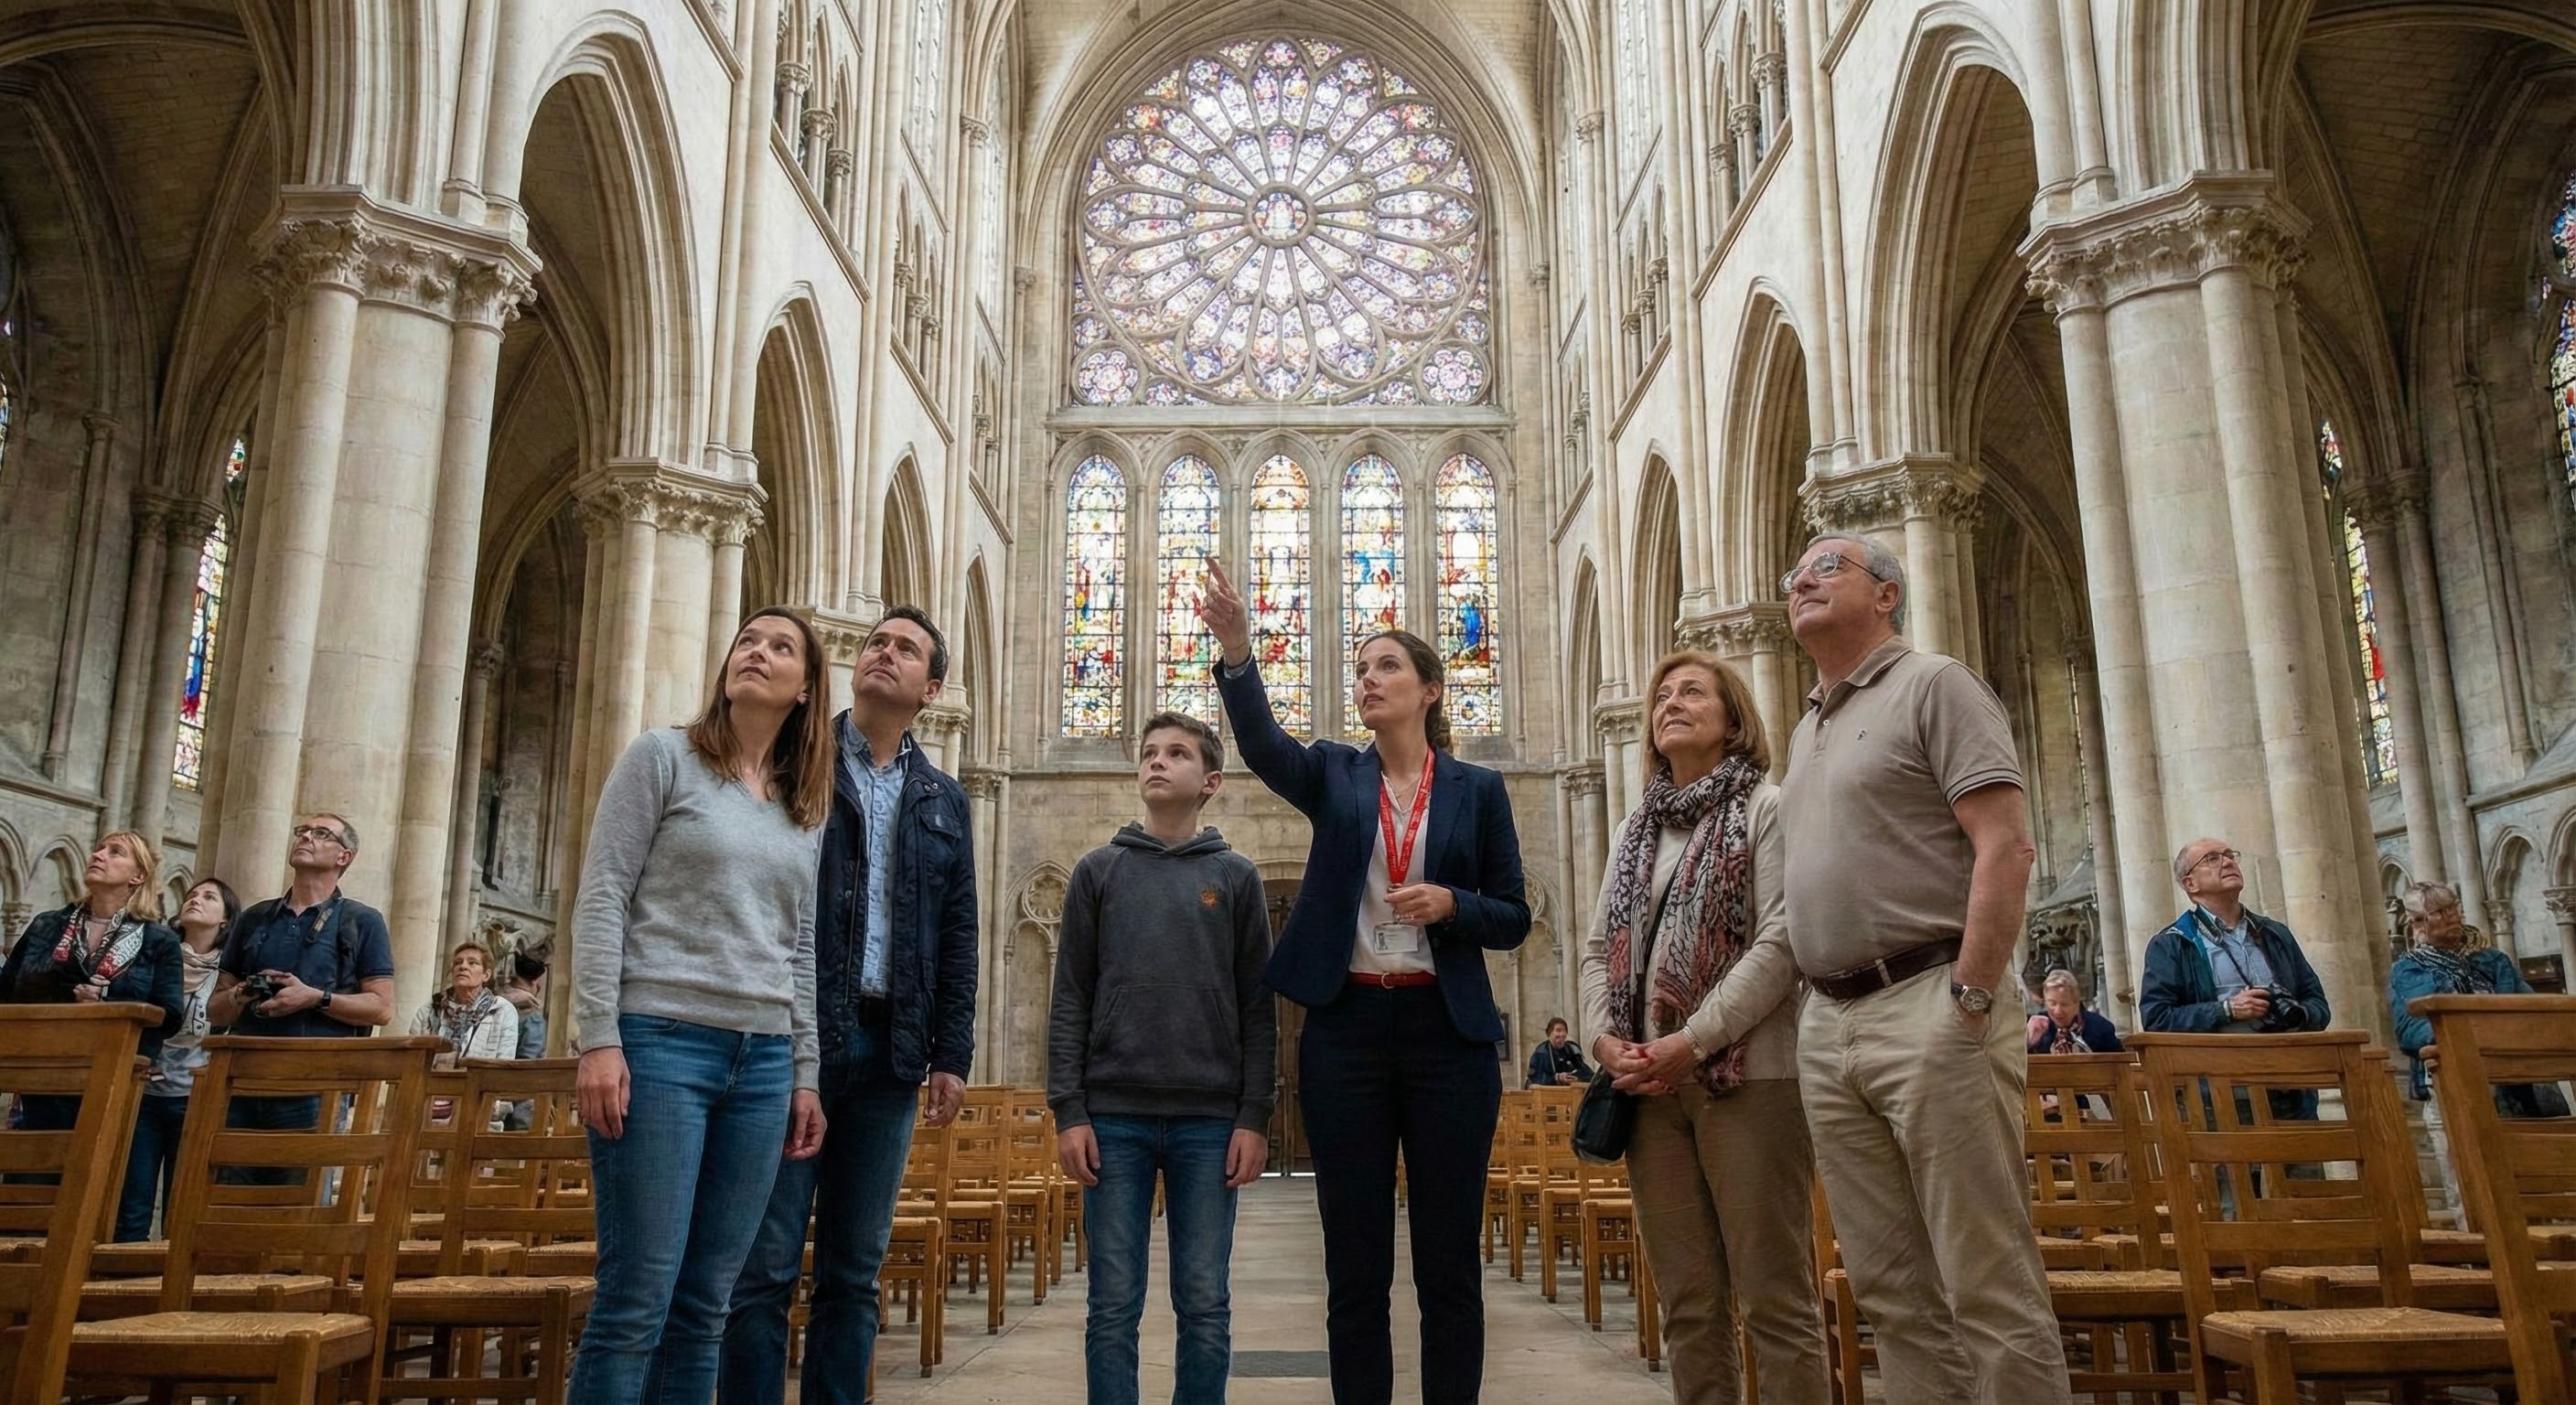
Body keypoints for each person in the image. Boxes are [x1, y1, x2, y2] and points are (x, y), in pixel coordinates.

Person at [1198, 561, 1530, 1405]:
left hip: (1445, 1036)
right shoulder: (1337, 774)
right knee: (1355, 1268)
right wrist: (1239, 653)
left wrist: (1454, 903)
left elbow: (1513, 914)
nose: (1367, 679)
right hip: (1345, 1032)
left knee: (1449, 1265)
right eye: (1360, 668)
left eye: (1385, 665)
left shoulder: (1479, 791)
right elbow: (1267, 748)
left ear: (1429, 688)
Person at [1775, 533, 2068, 1404]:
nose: (1803, 581)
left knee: (1987, 1282)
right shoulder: (1806, 727)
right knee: (1893, 1294)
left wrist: (1971, 997)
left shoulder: (1935, 685)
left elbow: (2005, 846)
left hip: (1929, 1002)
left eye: (1829, 567)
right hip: (1831, 1023)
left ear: (1889, 594)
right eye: (1795, 576)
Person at [569, 606, 832, 1405]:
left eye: (780, 646)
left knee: (705, 1305)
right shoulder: (663, 757)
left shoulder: (801, 802)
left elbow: (802, 945)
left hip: (760, 1062)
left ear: (807, 687)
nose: (757, 652)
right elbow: (603, 895)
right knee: (636, 1299)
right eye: (748, 640)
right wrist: (598, 1038)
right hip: (659, 1045)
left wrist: (805, 1070)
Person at [720, 606, 979, 1405]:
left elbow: (958, 929)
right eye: (875, 643)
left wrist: (952, 1052)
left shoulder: (943, 798)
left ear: (930, 688)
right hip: (795, 1035)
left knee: (852, 1273)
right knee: (763, 1267)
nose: (882, 655)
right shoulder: (798, 760)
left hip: (891, 1050)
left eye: (904, 650)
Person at [1581, 651, 1827, 1405]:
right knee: (1689, 1303)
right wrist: (1602, 1040)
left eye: (1693, 691)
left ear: (1732, 719)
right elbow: (1598, 951)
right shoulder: (1633, 830)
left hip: (1746, 1077)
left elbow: (1782, 942)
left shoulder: (1766, 808)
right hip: (1648, 1089)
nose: (1670, 703)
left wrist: (1695, 1040)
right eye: (1662, 695)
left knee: (1775, 1299)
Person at [1048, 711, 1275, 1405]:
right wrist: (1069, 1108)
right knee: (1111, 1303)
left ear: (1209, 781)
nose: (1156, 762)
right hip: (1113, 1115)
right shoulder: (1099, 871)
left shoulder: (1235, 878)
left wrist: (1253, 1116)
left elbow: (1258, 1010)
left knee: (1204, 1302)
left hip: (1209, 1121)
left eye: (1175, 753)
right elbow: (1071, 998)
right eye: (1148, 752)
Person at [204, 812, 398, 1183]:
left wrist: (315, 998)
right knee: (224, 1202)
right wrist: (243, 993)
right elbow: (215, 1009)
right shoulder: (255, 918)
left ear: (344, 857)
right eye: (303, 831)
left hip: (315, 1087)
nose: (306, 837)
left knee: (299, 1208)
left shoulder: (361, 920)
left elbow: (382, 1008)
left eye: (321, 833)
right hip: (242, 1081)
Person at [0, 831, 186, 1188]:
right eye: (99, 848)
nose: (98, 855)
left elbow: (170, 1014)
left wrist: (109, 1004)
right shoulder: (47, 925)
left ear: (138, 876)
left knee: (88, 1187)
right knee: (29, 1182)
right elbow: (9, 991)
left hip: (110, 1079)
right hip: (41, 1074)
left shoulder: (157, 940)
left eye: (115, 852)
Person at [2139, 838, 2331, 1122]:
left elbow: (2317, 1002)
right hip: (2217, 1092)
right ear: (2190, 884)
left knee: (2302, 1165)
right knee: (2233, 1168)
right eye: (2212, 859)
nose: (2228, 862)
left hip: (2289, 1086)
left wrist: (2297, 1015)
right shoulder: (2171, 944)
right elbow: (2157, 1018)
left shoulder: (2274, 934)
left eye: (2230, 855)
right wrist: (2226, 1010)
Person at [2388, 880, 2540, 1226]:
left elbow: (2530, 1008)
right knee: (2469, 1188)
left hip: (2510, 1086)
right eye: (2439, 912)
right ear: (2417, 924)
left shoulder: (2493, 961)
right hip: (2451, 1087)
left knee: (2528, 1184)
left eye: (2453, 907)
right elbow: (2411, 1031)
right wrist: (2477, 1030)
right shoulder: (2410, 970)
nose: (2451, 916)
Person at [117, 875, 236, 1239]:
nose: (196, 900)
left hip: (196, 1099)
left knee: (182, 1205)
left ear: (226, 920)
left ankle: (170, 1285)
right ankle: (120, 1284)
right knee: (131, 1205)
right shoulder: (151, 956)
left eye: (209, 897)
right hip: (143, 1095)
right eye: (192, 894)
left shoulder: (230, 975)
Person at [411, 940, 521, 1064]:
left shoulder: (502, 1011)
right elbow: (412, 1059)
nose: (463, 967)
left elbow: (504, 1062)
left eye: (472, 963)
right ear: (452, 972)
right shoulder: (429, 1010)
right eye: (458, 963)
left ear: (486, 975)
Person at [2026, 969, 2122, 1055]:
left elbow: (2120, 1065)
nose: (2058, 1011)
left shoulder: (2101, 1028)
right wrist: (2027, 1043)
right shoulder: (2038, 1026)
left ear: (2076, 1003)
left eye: (2064, 1004)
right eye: (2052, 1004)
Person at [1523, 1017, 1593, 1088]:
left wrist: (1577, 1078)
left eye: (1564, 1031)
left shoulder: (1572, 1050)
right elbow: (1534, 1079)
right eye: (1558, 1030)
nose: (1562, 1034)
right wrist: (1557, 1078)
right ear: (1549, 1033)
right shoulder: (1541, 1053)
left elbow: (1588, 1074)